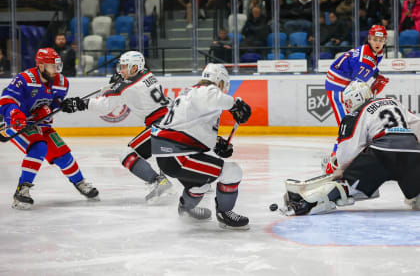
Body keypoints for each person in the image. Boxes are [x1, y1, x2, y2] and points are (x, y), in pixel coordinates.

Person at [282, 81, 420, 216]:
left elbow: (347, 154)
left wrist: (340, 168)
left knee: (347, 183)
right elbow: (417, 125)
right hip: (413, 152)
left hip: (381, 153)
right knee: (416, 193)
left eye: (348, 102)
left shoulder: (357, 113)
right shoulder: (393, 102)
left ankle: (305, 203)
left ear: (356, 98)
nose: (348, 106)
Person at [60, 51, 173, 203]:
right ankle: (191, 183)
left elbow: (105, 106)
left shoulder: (127, 87)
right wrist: (117, 84)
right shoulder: (147, 74)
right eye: (122, 67)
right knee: (166, 157)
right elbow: (126, 85)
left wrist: (81, 103)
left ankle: (158, 182)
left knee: (127, 155)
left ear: (135, 67)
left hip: (160, 126)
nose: (121, 70)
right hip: (171, 120)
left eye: (125, 67)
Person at [151, 63, 251, 230]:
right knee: (232, 171)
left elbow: (191, 127)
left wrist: (217, 143)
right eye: (223, 85)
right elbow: (217, 98)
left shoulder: (190, 94)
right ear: (218, 81)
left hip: (169, 155)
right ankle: (225, 214)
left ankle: (186, 210)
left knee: (200, 184)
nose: (223, 89)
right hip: (179, 156)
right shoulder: (206, 90)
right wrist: (236, 104)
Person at [0, 48, 99, 210]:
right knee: (39, 148)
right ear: (40, 66)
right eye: (52, 66)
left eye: (57, 66)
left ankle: (80, 182)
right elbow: (6, 99)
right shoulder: (24, 79)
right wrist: (15, 114)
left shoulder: (61, 83)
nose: (56, 70)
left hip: (41, 124)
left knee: (62, 153)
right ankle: (22, 190)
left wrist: (63, 105)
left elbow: (54, 103)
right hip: (18, 123)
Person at [323, 25, 390, 173]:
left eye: (380, 40)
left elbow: (371, 68)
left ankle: (353, 159)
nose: (377, 43)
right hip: (338, 89)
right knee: (346, 127)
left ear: (385, 41)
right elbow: (356, 89)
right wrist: (373, 89)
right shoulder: (364, 60)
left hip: (345, 84)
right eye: (374, 39)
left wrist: (376, 76)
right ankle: (333, 163)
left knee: (354, 125)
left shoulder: (376, 53)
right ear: (369, 39)